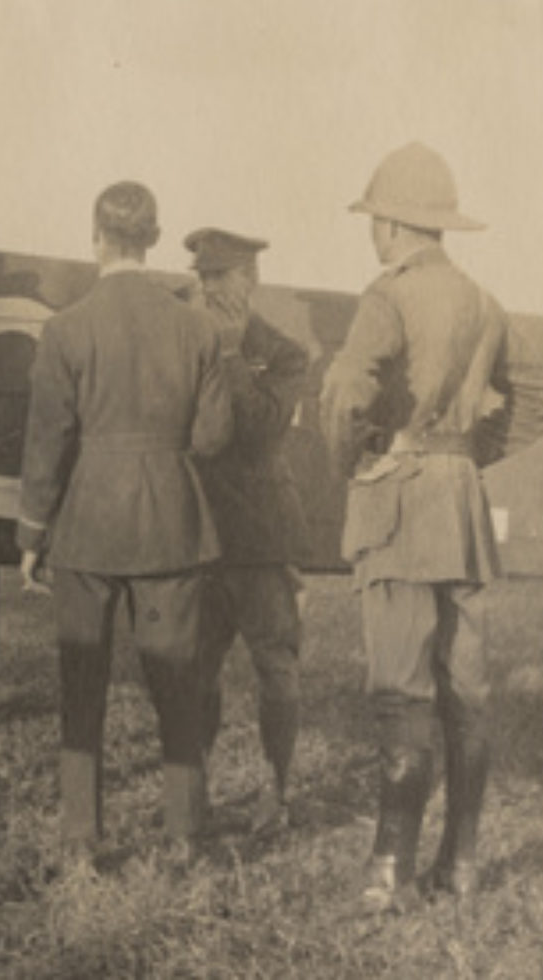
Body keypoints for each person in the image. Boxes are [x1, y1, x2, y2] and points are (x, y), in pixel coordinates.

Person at [17, 181, 235, 867]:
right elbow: (214, 437)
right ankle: (183, 835)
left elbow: (47, 441)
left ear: (97, 239)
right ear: (154, 237)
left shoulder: (66, 327)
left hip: (87, 524)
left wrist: (31, 534)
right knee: (178, 681)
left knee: (82, 684)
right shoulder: (199, 327)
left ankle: (81, 841)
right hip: (173, 521)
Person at [320, 142, 508, 915]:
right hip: (460, 505)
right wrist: (469, 456)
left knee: (401, 691)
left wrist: (354, 462)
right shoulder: (485, 302)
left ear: (396, 226)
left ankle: (385, 872)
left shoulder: (387, 296)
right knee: (466, 690)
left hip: (399, 502)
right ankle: (460, 864)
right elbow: (526, 394)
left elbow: (342, 392)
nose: (373, 235)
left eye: (376, 221)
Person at [183, 228, 309, 834]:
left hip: (259, 539)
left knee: (276, 666)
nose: (208, 288)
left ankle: (275, 790)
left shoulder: (282, 353)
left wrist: (231, 355)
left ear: (250, 279)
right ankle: (193, 788)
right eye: (203, 276)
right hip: (198, 534)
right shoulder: (178, 340)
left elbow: (259, 431)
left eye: (222, 276)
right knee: (194, 666)